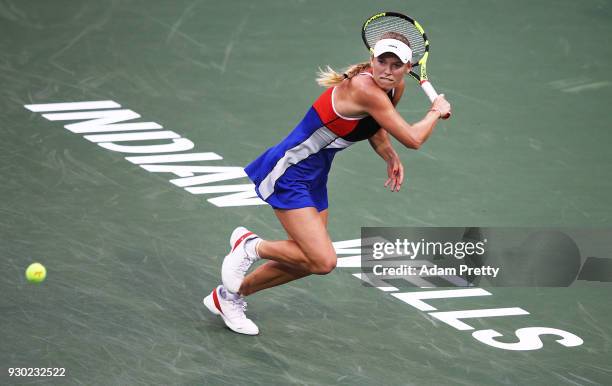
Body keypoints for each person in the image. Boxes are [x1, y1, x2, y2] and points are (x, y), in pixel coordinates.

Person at [203, 31, 451, 335]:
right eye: (381, 61)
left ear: (408, 67)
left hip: (316, 174)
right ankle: (251, 246)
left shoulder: (392, 89)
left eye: (395, 65)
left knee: (308, 260)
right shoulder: (365, 88)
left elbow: (374, 123)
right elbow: (413, 138)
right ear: (372, 59)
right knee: (323, 260)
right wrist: (435, 111)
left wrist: (387, 153)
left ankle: (229, 297)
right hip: (290, 170)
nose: (387, 70)